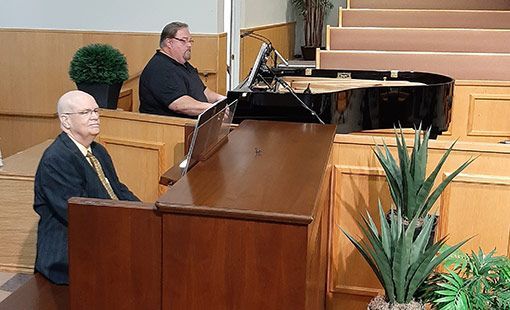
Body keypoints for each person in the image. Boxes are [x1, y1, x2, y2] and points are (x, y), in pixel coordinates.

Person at [33, 90, 139, 285]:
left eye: (96, 111)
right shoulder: (56, 159)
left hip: (101, 233)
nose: (95, 117)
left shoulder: (97, 150)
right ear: (65, 121)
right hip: (69, 253)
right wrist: (126, 226)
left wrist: (144, 213)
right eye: (85, 113)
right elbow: (81, 213)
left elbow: (117, 190)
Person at [139, 21, 226, 118]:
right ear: (169, 43)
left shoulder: (183, 64)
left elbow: (203, 91)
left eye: (190, 41)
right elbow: (180, 104)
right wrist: (214, 108)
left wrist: (223, 100)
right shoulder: (160, 69)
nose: (189, 45)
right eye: (184, 41)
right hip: (170, 129)